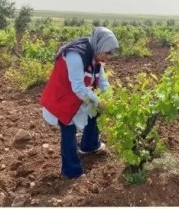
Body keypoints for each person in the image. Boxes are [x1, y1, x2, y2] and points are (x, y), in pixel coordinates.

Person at [40, 27, 119, 179]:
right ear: (100, 45)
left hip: (78, 97)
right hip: (62, 98)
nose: (108, 57)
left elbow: (102, 81)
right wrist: (98, 101)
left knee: (95, 112)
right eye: (107, 52)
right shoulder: (75, 55)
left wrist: (109, 98)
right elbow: (77, 87)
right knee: (68, 131)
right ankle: (71, 172)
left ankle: (89, 145)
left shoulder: (96, 55)